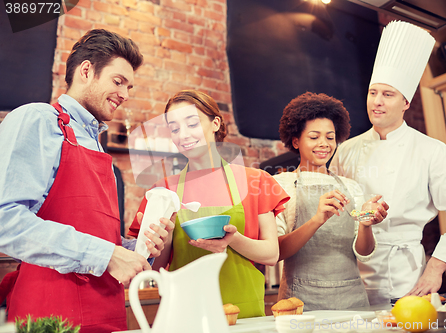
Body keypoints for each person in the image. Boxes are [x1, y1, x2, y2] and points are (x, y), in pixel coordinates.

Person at [0, 29, 172, 332]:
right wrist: (106, 255)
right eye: (118, 81)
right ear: (86, 70)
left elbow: (88, 235)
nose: (125, 95)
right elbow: (6, 221)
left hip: (105, 312)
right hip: (49, 313)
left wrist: (133, 247)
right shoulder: (38, 119)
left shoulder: (93, 143)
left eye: (129, 86)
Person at [330, 21, 446, 304]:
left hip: (408, 279)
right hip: (352, 279)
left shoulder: (431, 150)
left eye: (387, 94)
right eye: (372, 92)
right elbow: (335, 216)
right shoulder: (345, 151)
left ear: (406, 102)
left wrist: (436, 268)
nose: (377, 101)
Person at [128, 90, 290, 318]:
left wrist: (232, 239)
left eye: (192, 124)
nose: (183, 134)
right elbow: (156, 268)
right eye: (174, 128)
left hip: (244, 312)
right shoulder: (163, 191)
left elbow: (271, 254)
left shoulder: (256, 181)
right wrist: (160, 240)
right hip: (185, 313)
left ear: (215, 123)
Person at [273, 92, 389, 310]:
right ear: (296, 141)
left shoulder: (351, 187)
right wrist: (317, 219)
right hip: (301, 302)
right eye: (314, 137)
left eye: (330, 136)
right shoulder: (281, 184)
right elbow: (277, 252)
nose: (324, 144)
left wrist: (365, 224)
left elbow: (363, 253)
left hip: (353, 300)